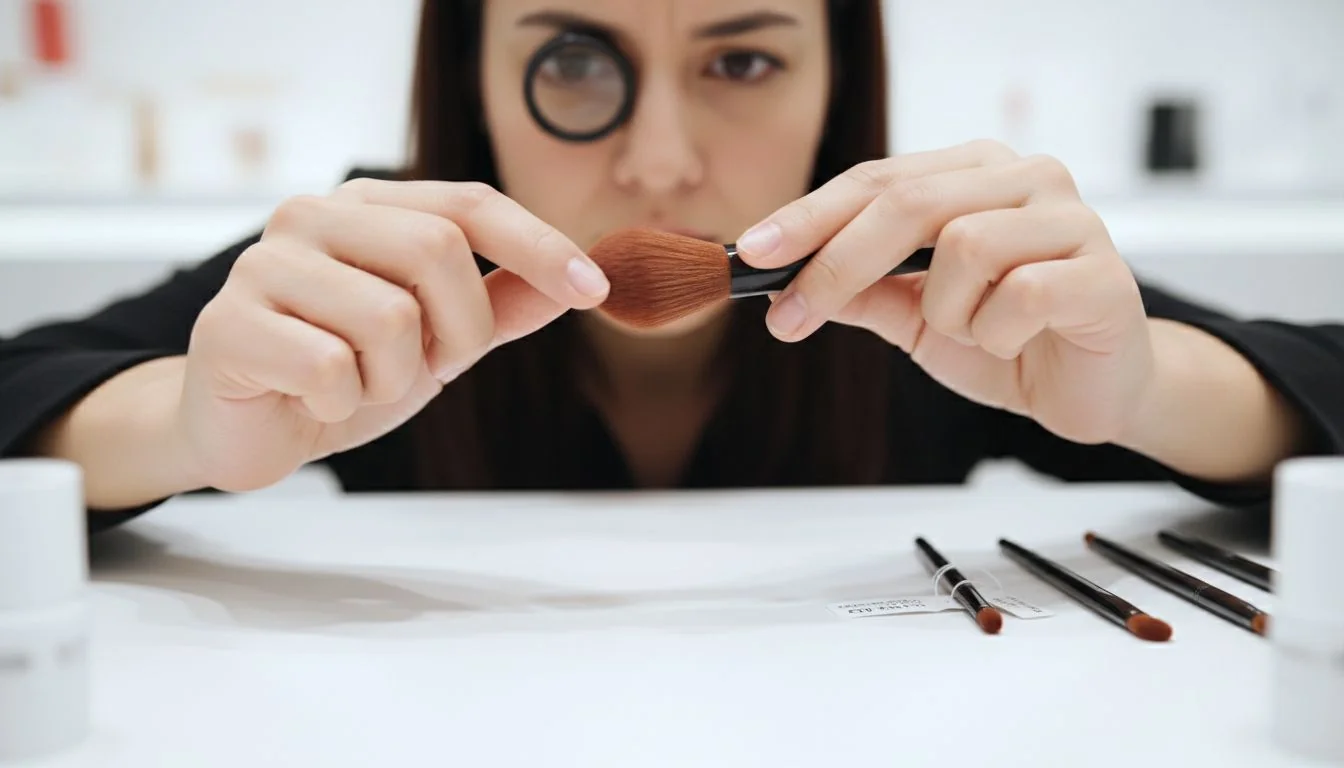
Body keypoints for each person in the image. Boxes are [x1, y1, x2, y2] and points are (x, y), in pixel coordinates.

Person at [1, 0, 1341, 535]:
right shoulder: (381, 265)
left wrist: (1147, 388)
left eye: (741, 61)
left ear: (839, 91)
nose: (656, 161)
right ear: (470, 85)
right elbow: (27, 388)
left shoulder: (939, 286)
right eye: (575, 62)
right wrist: (185, 426)